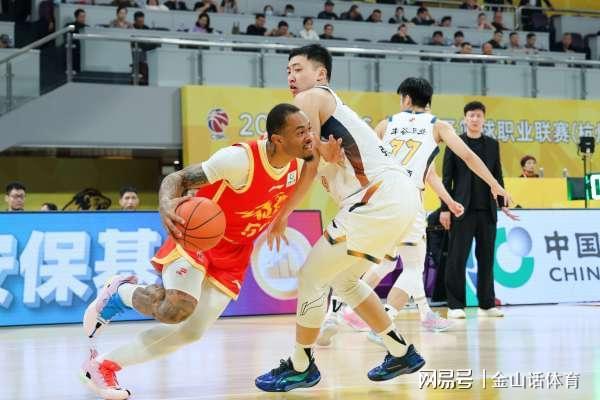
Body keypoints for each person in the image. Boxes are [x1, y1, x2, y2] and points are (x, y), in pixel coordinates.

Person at [80, 103, 314, 399]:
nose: (309, 136)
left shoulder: (299, 161)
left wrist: (281, 217)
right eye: (301, 132)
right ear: (278, 139)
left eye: (309, 129)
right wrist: (166, 204)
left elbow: (308, 175)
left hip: (235, 253)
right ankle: (120, 293)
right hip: (199, 240)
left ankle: (101, 366)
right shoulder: (239, 160)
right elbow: (176, 179)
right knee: (175, 310)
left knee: (192, 332)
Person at [255, 44, 430, 392]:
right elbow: (314, 158)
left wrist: (283, 215)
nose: (291, 76)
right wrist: (322, 154)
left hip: (378, 198)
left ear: (320, 74)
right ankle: (400, 352)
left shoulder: (310, 98)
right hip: (398, 198)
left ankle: (301, 364)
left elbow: (309, 167)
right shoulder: (324, 122)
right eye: (287, 71)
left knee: (311, 275)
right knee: (344, 280)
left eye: (298, 68)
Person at [318, 78, 512, 345]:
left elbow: (361, 157)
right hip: (409, 201)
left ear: (406, 99)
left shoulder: (386, 124)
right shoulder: (438, 126)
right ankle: (384, 321)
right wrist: (495, 185)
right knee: (412, 268)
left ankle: (334, 314)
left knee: (367, 262)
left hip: (377, 199)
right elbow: (467, 157)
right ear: (428, 101)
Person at [440, 101, 519, 319]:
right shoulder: (455, 143)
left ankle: (487, 304)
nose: (475, 119)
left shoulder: (492, 145)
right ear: (465, 119)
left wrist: (503, 204)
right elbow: (447, 179)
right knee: (457, 258)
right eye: (471, 115)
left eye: (478, 115)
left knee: (486, 258)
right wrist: (445, 208)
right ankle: (455, 305)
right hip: (461, 209)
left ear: (484, 119)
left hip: (487, 210)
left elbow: (497, 176)